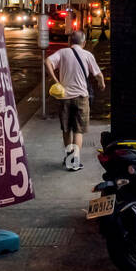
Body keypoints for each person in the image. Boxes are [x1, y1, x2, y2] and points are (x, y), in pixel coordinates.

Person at [46, 30, 105, 171]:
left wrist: (56, 81)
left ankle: (68, 158)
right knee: (78, 131)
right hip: (81, 98)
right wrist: (101, 84)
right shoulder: (87, 55)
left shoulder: (62, 53)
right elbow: (98, 75)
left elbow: (47, 61)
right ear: (83, 43)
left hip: (64, 97)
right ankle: (75, 162)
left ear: (69, 42)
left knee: (66, 130)